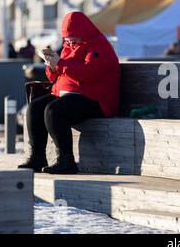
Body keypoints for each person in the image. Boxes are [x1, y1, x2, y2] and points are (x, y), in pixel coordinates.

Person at [18, 12, 120, 174]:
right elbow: (57, 75)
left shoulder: (99, 46)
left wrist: (60, 64)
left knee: (53, 111)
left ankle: (66, 160)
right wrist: (51, 66)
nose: (70, 43)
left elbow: (89, 73)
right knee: (34, 108)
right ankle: (37, 157)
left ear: (83, 33)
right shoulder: (69, 47)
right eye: (67, 39)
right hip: (67, 93)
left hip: (94, 98)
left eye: (73, 39)